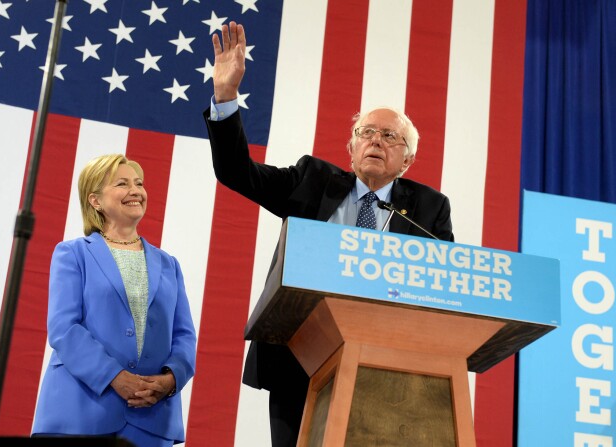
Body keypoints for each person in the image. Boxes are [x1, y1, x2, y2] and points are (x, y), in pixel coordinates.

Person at [204, 22, 455, 447]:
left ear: (407, 160)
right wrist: (226, 96)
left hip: (385, 366)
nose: (375, 140)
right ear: (351, 150)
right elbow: (236, 173)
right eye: (366, 133)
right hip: (298, 355)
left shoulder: (429, 208)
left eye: (389, 136)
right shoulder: (312, 180)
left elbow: (444, 280)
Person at [32, 154, 197, 447]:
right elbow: (64, 329)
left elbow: (184, 335)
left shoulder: (169, 264)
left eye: (139, 183)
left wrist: (171, 380)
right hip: (80, 411)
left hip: (150, 419)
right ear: (95, 200)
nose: (136, 191)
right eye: (122, 184)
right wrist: (114, 376)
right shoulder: (72, 254)